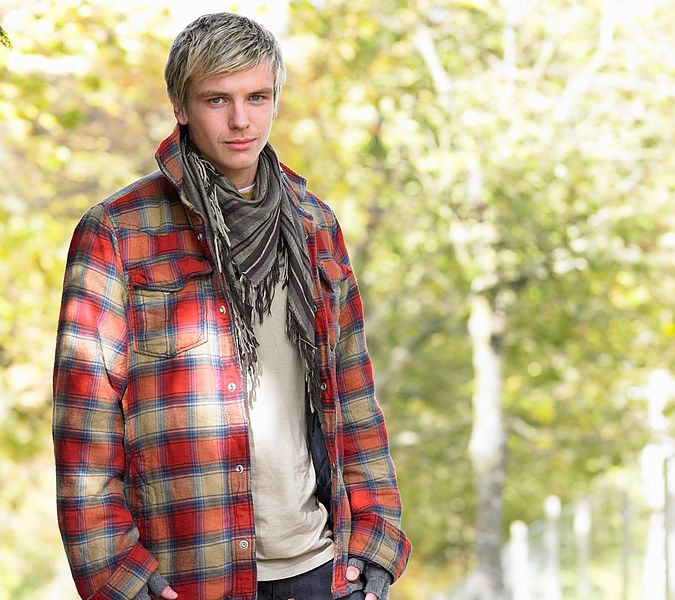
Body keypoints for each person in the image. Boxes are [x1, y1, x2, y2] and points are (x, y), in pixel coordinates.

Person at [52, 12, 411, 600]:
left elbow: (352, 394)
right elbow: (84, 422)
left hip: (320, 568)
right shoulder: (118, 231)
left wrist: (375, 537)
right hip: (188, 572)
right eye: (217, 99)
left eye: (257, 96)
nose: (241, 119)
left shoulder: (314, 223)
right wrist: (114, 570)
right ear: (181, 105)